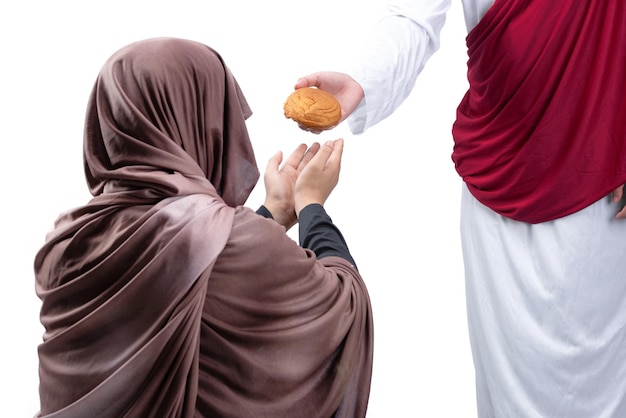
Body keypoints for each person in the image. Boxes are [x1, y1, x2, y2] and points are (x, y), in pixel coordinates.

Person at [295, 1, 626, 417]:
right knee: (509, 383)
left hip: (600, 182)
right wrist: (361, 80)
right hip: (498, 187)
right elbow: (413, 18)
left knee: (601, 381)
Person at [34, 37, 373, 418]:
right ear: (199, 119)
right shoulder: (229, 240)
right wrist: (311, 206)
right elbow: (344, 310)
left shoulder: (66, 244)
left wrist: (273, 212)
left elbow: (195, 275)